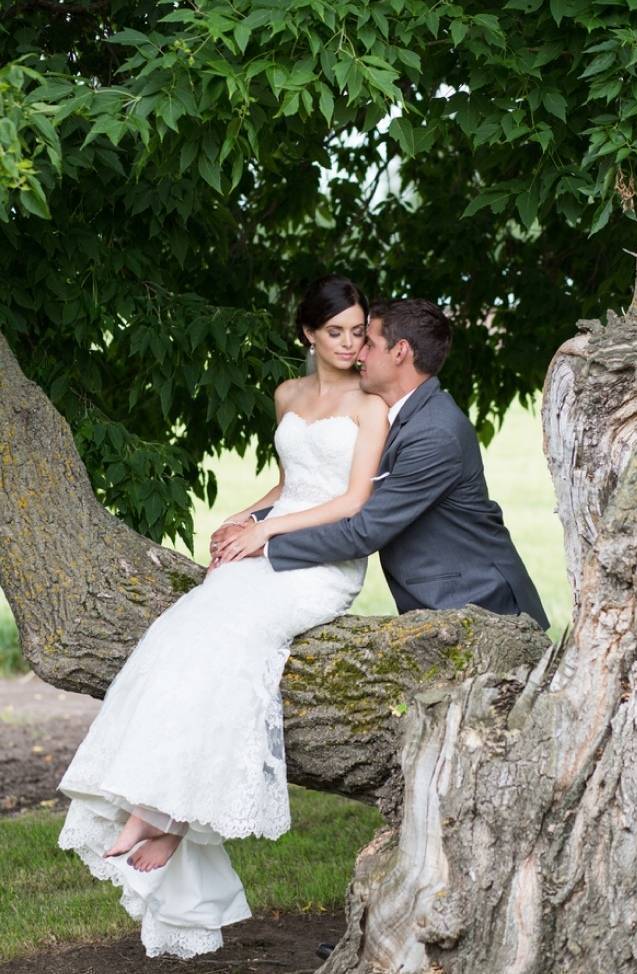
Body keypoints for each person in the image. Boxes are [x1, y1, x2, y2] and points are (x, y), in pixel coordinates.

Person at [56, 274, 389, 959]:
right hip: (276, 540)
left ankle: (168, 814)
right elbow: (291, 483)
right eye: (336, 332)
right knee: (179, 635)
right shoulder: (288, 395)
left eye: (359, 331)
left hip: (322, 564)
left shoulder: (371, 405)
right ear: (306, 334)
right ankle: (156, 808)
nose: (351, 344)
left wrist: (268, 534)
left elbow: (353, 501)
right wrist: (249, 512)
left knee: (235, 643)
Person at [214, 299, 549, 632]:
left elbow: (365, 531)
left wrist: (266, 544)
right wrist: (250, 522)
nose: (358, 354)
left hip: (484, 606)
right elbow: (322, 486)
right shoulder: (402, 415)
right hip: (443, 603)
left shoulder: (434, 433)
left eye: (369, 344)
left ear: (400, 351)